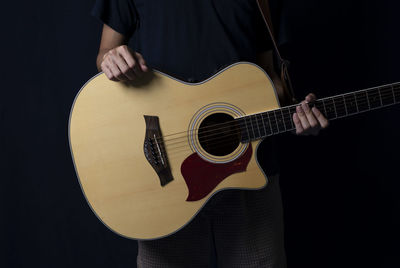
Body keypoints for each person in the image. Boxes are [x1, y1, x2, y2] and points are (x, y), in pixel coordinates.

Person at [91, 0, 329, 267]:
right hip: (167, 182)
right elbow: (105, 52)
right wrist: (111, 59)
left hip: (249, 168)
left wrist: (295, 114)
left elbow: (267, 77)